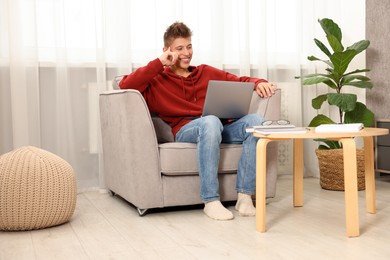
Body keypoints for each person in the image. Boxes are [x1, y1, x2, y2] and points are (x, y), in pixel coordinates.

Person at [119, 22, 277, 220]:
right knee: (210, 122)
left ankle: (244, 197)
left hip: (218, 126)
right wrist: (160, 63)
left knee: (256, 122)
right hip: (186, 130)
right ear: (167, 50)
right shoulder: (156, 79)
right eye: (179, 48)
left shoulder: (205, 72)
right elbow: (125, 84)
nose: (186, 53)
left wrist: (259, 83)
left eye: (189, 46)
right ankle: (210, 200)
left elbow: (239, 80)